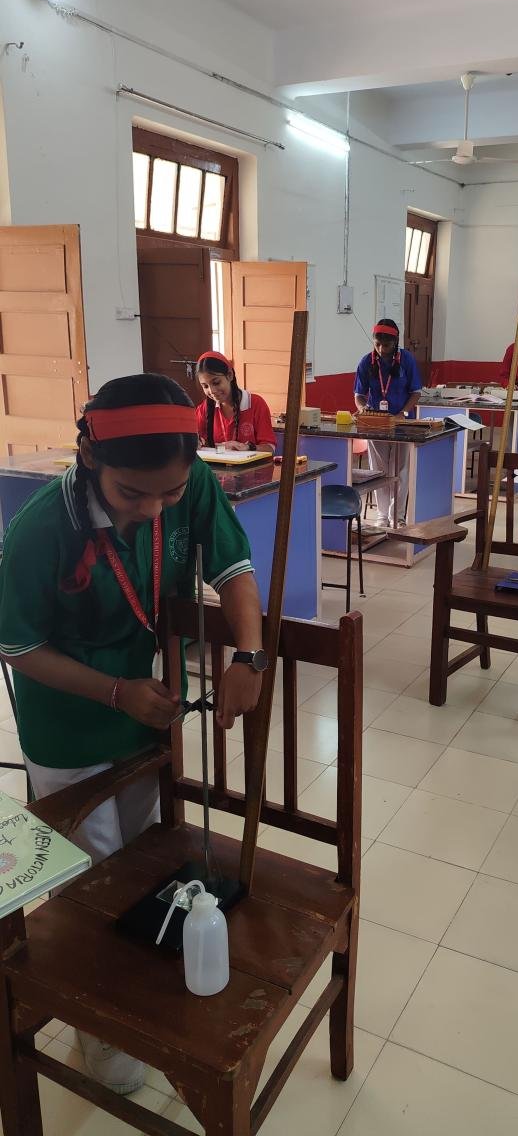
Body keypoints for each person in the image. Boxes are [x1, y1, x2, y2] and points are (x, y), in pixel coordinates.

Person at [0, 373, 267, 1093]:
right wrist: (115, 692)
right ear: (90, 457)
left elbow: (234, 566)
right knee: (90, 883)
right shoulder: (41, 531)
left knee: (146, 866)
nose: (153, 510)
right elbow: (17, 646)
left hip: (148, 714)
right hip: (69, 728)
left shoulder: (188, 481)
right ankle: (101, 1030)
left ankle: (149, 1007)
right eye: (132, 494)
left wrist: (248, 656)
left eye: (169, 496)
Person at [353, 319, 422, 528]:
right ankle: (382, 516)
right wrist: (363, 408)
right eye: (378, 344)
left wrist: (403, 413)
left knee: (400, 471)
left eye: (387, 345)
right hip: (377, 424)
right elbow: (359, 395)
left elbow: (416, 392)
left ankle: (397, 516)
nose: (382, 349)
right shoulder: (366, 362)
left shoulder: (407, 360)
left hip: (402, 424)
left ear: (395, 342)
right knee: (380, 471)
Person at [195, 350, 275, 453]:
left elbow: (270, 448)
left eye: (216, 383)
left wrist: (248, 447)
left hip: (252, 464)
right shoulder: (204, 408)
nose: (212, 391)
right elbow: (193, 438)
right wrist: (195, 442)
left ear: (230, 375)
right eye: (205, 386)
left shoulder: (256, 404)